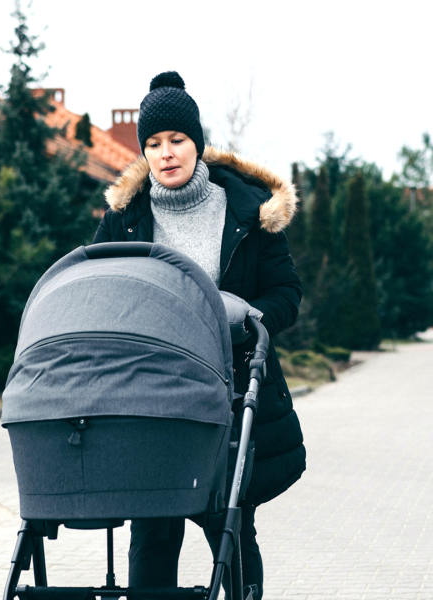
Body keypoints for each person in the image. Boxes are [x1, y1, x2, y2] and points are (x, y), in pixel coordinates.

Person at [92, 71, 306, 600]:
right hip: (150, 397)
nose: (166, 153)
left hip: (229, 394)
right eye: (154, 143)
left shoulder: (245, 211)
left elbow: (287, 294)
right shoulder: (124, 219)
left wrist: (247, 312)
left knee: (229, 527)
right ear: (145, 151)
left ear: (197, 143)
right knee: (153, 533)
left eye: (177, 140)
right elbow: (96, 290)